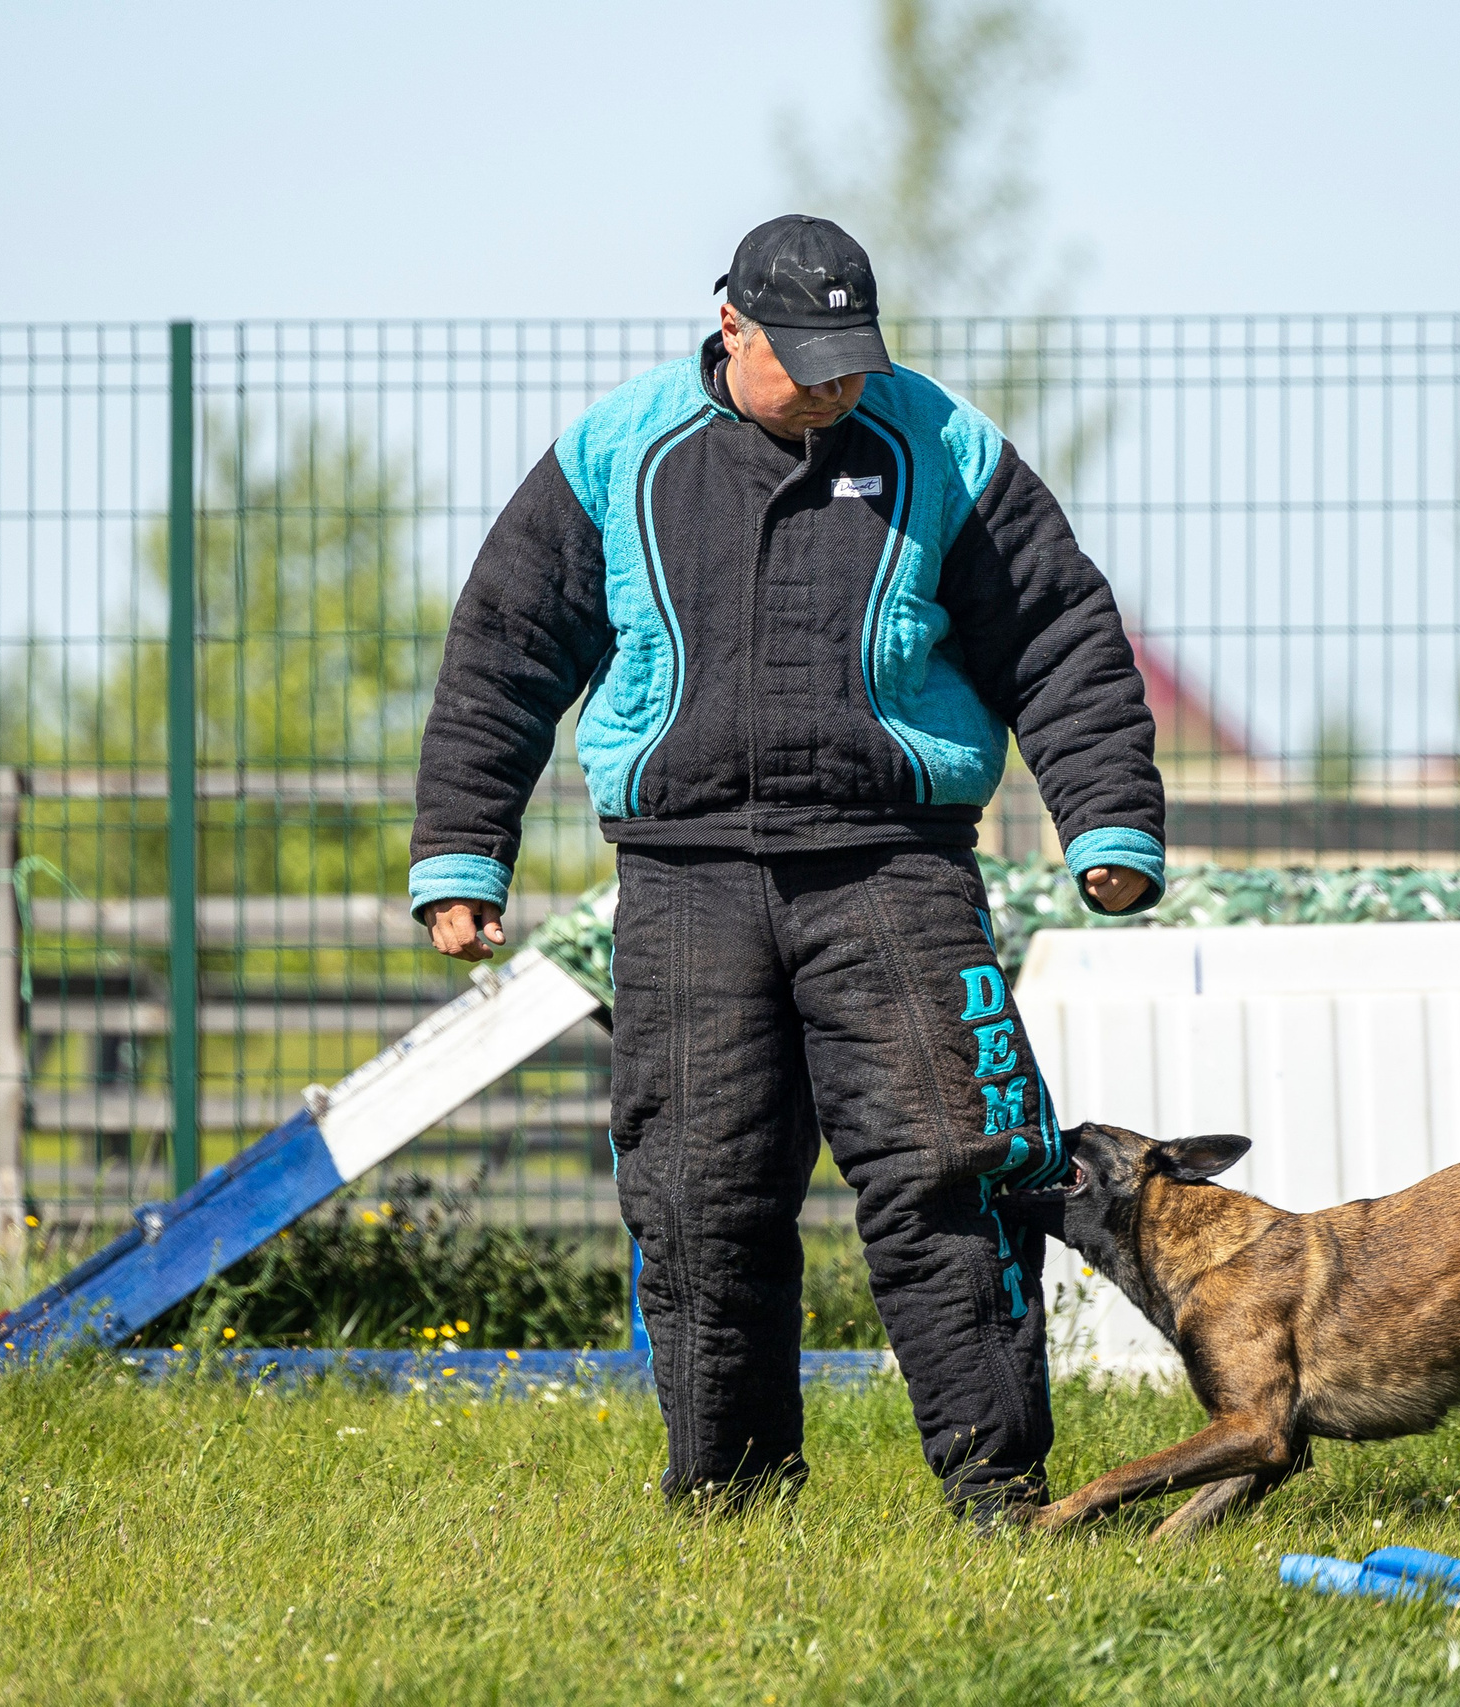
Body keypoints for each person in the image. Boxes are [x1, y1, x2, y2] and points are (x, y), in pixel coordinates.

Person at [408, 214, 1163, 1520]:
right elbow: (506, 649)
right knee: (703, 1202)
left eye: (852, 359)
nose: (832, 384)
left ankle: (999, 1495)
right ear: (731, 328)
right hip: (684, 883)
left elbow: (1056, 633)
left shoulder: (943, 448)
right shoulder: (615, 455)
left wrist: (1108, 822)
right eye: (803, 357)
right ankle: (732, 1504)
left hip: (893, 871)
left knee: (950, 1171)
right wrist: (463, 855)